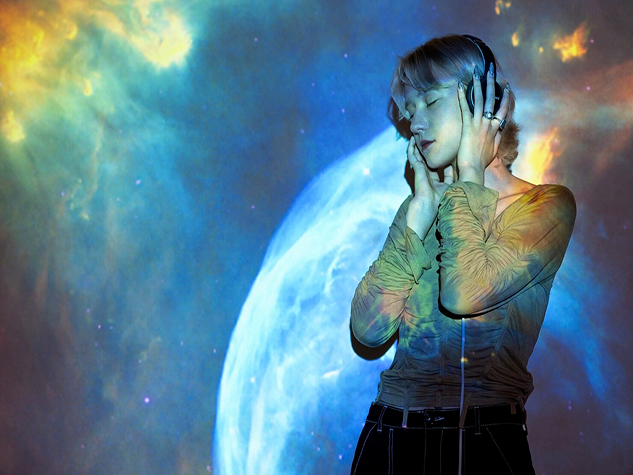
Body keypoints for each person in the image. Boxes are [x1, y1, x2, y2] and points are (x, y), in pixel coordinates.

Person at [349, 34, 576, 475]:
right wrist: (418, 213)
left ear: (483, 103)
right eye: (410, 110)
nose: (415, 124)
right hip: (389, 438)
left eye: (430, 102)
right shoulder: (418, 209)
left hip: (483, 444)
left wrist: (470, 171)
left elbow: (463, 293)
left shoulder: (546, 205)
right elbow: (368, 330)